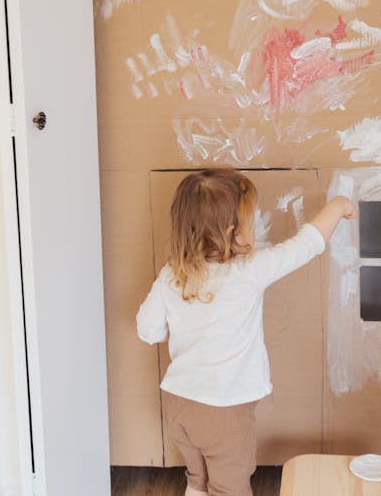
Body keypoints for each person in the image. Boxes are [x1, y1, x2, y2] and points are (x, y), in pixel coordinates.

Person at [136, 169, 355, 496]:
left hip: (180, 406)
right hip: (224, 414)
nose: (255, 226)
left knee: (197, 479)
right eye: (251, 221)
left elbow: (147, 329)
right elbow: (306, 244)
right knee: (229, 488)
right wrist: (337, 206)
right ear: (230, 231)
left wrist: (174, 329)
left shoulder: (172, 275)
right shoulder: (248, 272)